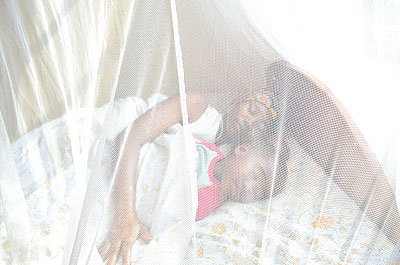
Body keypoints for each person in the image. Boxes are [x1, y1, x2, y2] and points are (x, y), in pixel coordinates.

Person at [98, 90, 287, 264]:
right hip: (112, 136)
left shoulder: (221, 160)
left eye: (259, 127)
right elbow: (129, 137)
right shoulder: (197, 107)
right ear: (238, 100)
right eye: (251, 111)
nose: (249, 122)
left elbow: (276, 156)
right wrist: (126, 215)